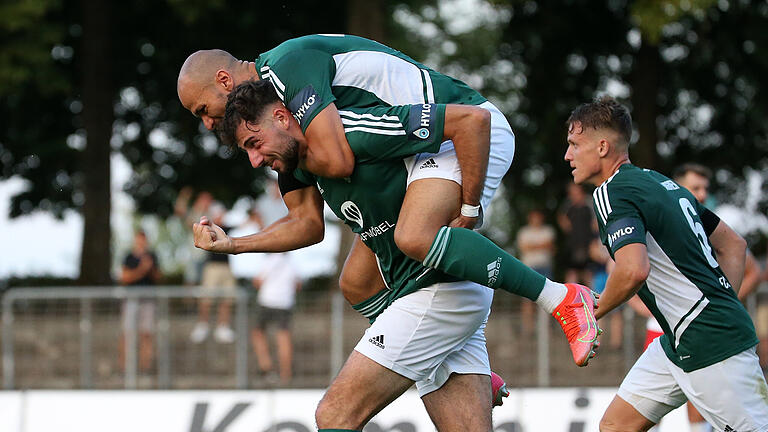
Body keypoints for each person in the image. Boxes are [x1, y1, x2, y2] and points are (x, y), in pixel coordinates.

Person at [193, 80, 599, 431]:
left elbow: (471, 120)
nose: (255, 159)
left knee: (334, 415)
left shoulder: (354, 129)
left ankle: (557, 297)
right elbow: (305, 226)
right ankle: (452, 352)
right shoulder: (294, 166)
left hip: (437, 290)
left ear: (282, 117)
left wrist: (470, 209)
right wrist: (231, 244)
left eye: (254, 143)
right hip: (433, 297)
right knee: (353, 283)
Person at [564, 96, 768, 431]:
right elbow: (734, 245)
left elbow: (632, 270)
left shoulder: (611, 192)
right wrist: (720, 305)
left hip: (709, 340)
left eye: (574, 144)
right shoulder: (662, 183)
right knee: (616, 426)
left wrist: (588, 313)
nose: (568, 155)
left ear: (602, 147)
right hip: (677, 340)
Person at [189, 202, 237, 344]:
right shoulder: (208, 229)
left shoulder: (229, 228)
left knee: (226, 299)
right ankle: (202, 326)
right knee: (207, 299)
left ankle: (223, 327)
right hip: (212, 267)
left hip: (228, 268)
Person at [251, 252, 301, 385]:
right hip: (285, 303)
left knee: (258, 333)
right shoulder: (291, 262)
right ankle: (286, 373)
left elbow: (258, 282)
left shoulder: (270, 259)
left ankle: (266, 367)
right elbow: (298, 285)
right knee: (283, 337)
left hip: (267, 301)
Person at [119, 230, 161, 372]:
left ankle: (146, 367)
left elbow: (158, 277)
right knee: (128, 333)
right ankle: (126, 368)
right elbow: (125, 278)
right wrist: (142, 269)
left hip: (148, 301)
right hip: (131, 300)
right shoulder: (128, 257)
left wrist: (150, 269)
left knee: (147, 333)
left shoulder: (152, 256)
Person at [516, 208, 556, 334]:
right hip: (529, 268)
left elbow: (549, 246)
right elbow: (524, 247)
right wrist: (541, 245)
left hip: (544, 267)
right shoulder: (524, 232)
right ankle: (529, 329)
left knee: (547, 300)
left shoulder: (548, 230)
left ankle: (545, 329)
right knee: (527, 301)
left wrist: (532, 246)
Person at [558, 182, 596, 285]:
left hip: (588, 243)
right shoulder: (567, 204)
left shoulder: (589, 202)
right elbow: (562, 219)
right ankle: (570, 298)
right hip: (572, 244)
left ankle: (593, 299)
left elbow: (596, 222)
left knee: (588, 273)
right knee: (571, 272)